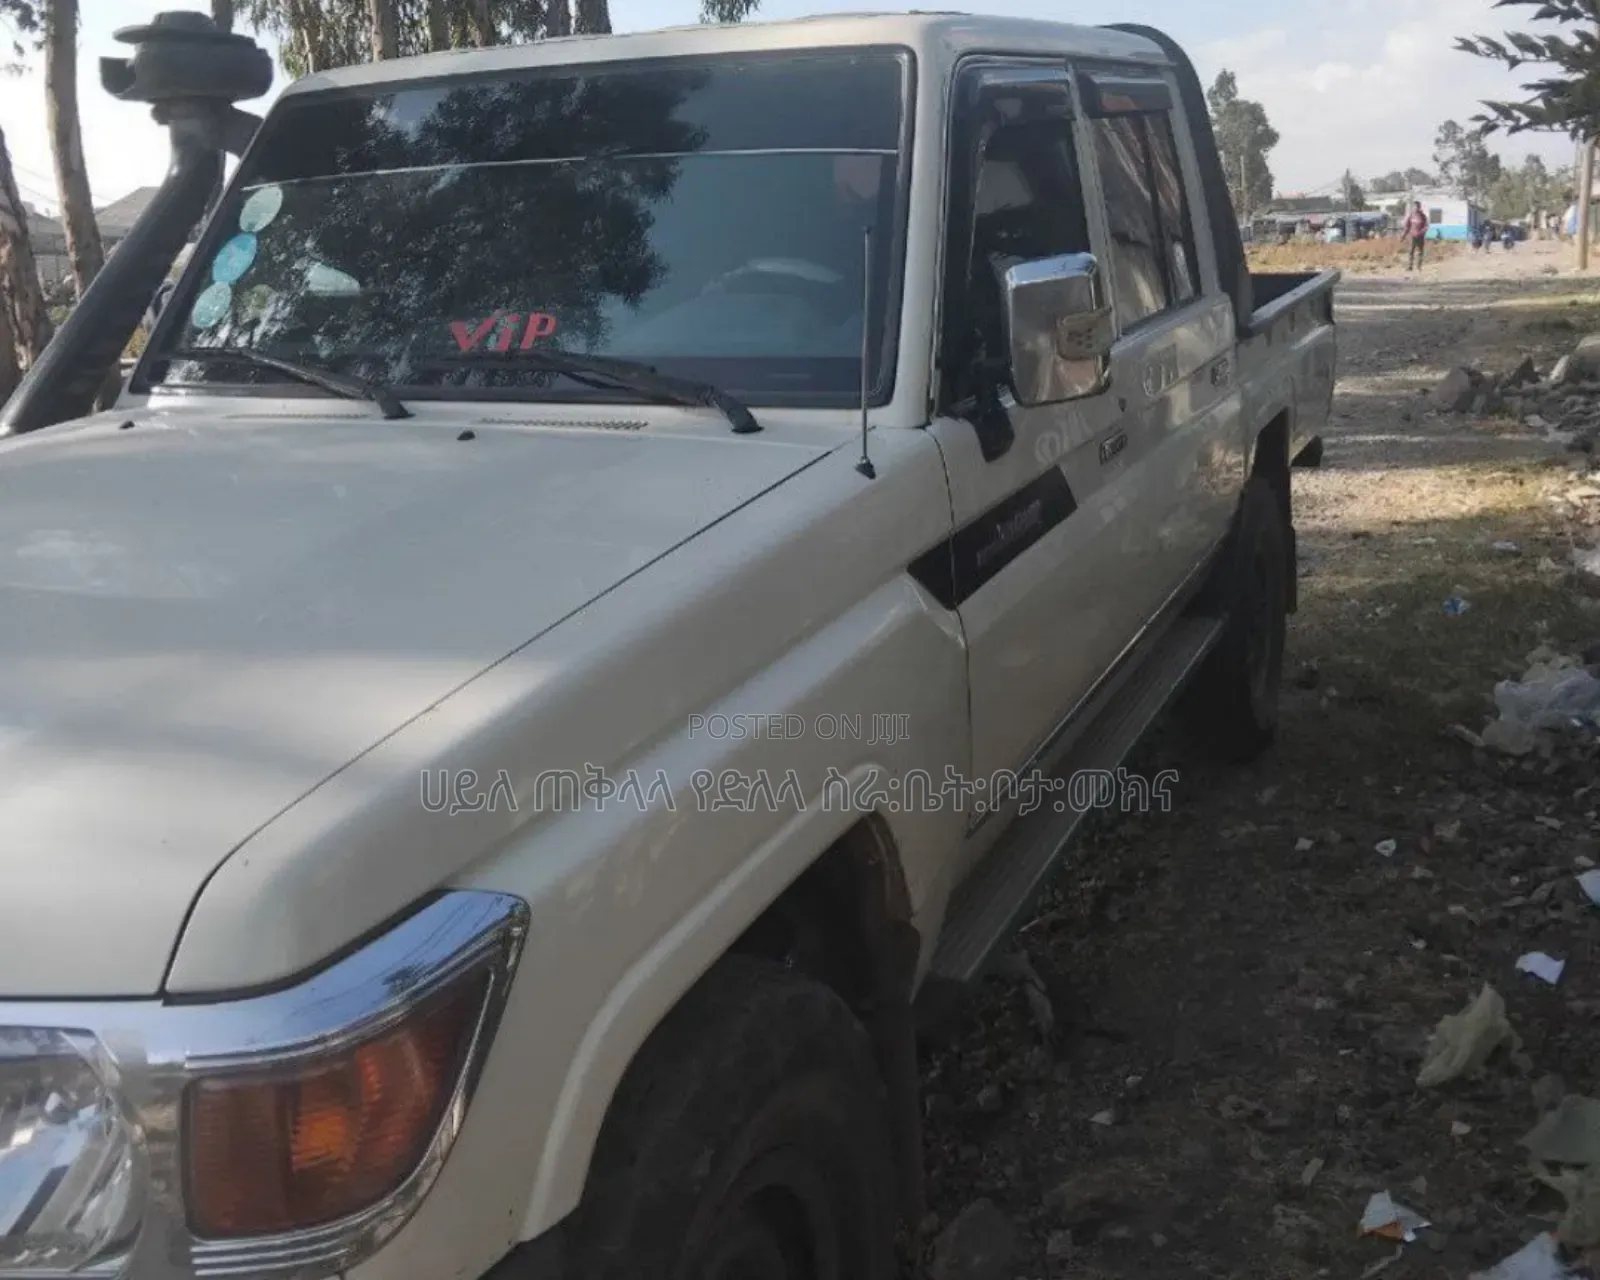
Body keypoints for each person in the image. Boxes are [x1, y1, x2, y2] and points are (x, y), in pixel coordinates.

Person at [1403, 201, 1430, 271]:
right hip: (1412, 236)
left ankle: (1419, 267)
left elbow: (1426, 226)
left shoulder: (1423, 216)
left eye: (1417, 207)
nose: (1416, 208)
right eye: (1415, 206)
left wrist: (1421, 233)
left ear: (1419, 207)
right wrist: (1404, 235)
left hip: (1420, 237)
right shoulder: (1411, 215)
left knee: (1420, 252)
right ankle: (1410, 266)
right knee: (1411, 251)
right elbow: (1407, 226)